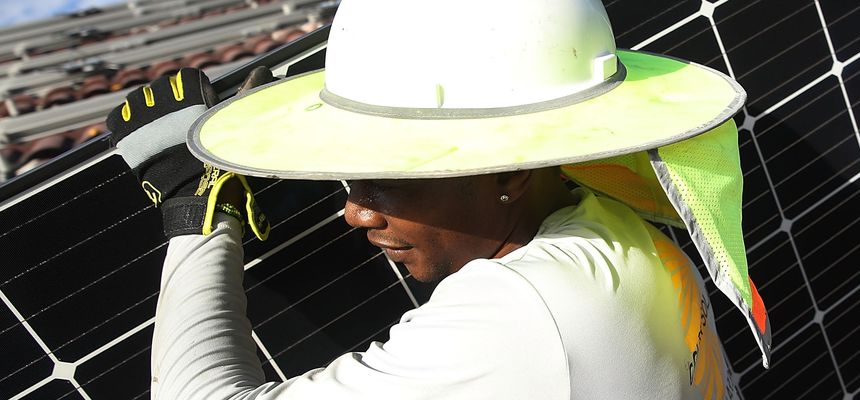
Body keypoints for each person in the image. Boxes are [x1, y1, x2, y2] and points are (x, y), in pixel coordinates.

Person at [107, 0, 770, 398]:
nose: (355, 211)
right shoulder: (615, 223)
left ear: (507, 169)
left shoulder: (524, 314)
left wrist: (199, 212)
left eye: (389, 174)